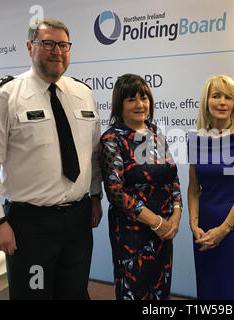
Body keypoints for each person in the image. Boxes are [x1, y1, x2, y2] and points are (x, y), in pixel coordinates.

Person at [0, 19, 103, 299]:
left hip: (78, 219)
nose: (57, 51)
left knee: (74, 292)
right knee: (34, 295)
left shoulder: (83, 93)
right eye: (47, 43)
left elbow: (94, 152)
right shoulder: (5, 95)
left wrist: (96, 197)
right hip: (30, 224)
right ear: (30, 47)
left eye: (63, 45)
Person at [99, 73, 182, 300]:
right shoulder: (112, 139)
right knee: (134, 290)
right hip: (132, 231)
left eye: (144, 98)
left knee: (160, 289)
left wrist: (176, 212)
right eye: (131, 99)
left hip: (164, 229)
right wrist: (155, 222)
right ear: (120, 104)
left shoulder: (155, 132)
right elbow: (116, 192)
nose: (140, 104)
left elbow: (172, 175)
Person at [187, 75, 234, 299]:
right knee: (207, 291)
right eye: (216, 96)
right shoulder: (196, 139)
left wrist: (223, 229)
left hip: (233, 229)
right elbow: (193, 188)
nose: (222, 102)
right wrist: (194, 223)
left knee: (231, 291)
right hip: (203, 229)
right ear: (206, 101)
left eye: (228, 97)